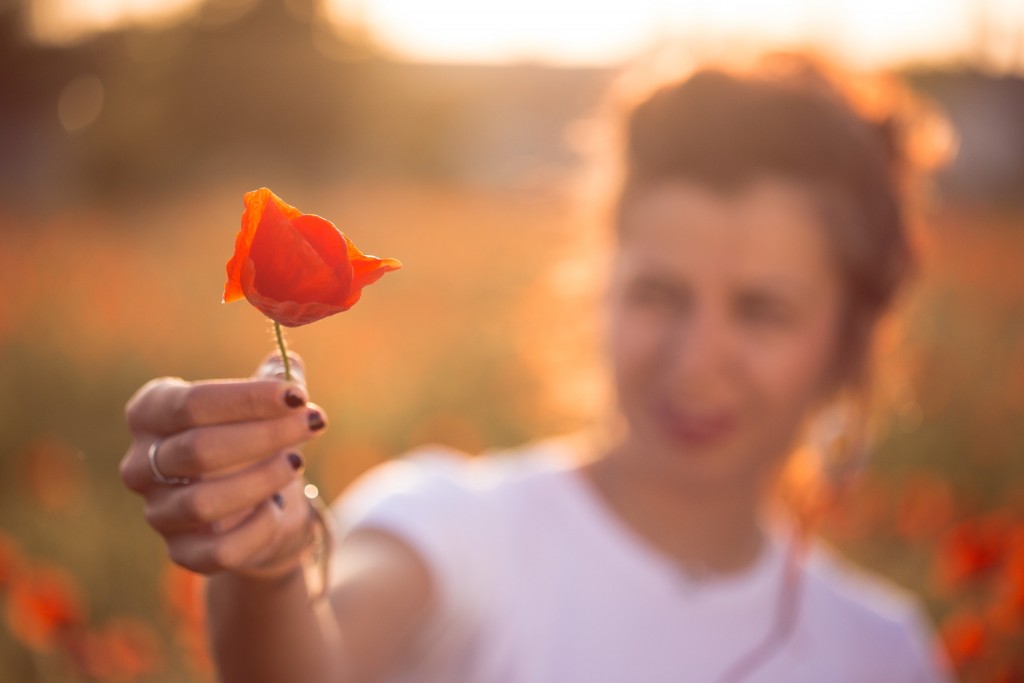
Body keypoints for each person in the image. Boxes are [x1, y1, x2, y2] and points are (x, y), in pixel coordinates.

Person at [120, 54, 951, 682]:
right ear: (601, 286)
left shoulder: (887, 650)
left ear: (854, 339)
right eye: (658, 294)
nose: (695, 360)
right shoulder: (454, 532)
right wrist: (266, 568)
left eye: (762, 310)